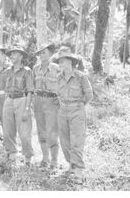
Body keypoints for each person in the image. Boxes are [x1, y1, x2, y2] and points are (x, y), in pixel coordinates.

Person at [53, 46, 93, 184]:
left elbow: (89, 95)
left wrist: (79, 106)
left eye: (62, 61)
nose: (60, 64)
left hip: (77, 110)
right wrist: (62, 106)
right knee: (64, 141)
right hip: (62, 110)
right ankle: (72, 164)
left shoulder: (81, 77)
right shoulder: (58, 78)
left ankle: (78, 172)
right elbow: (56, 95)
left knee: (77, 141)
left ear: (70, 62)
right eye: (59, 62)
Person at [2, 47, 34, 167]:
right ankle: (11, 156)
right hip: (9, 99)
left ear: (21, 56)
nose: (11, 56)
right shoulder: (7, 71)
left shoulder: (27, 71)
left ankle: (28, 159)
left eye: (14, 54)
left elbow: (30, 91)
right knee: (7, 131)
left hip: (22, 100)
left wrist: (26, 108)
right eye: (10, 54)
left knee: (24, 132)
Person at [33, 43, 60, 169]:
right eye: (40, 53)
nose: (42, 55)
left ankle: (54, 161)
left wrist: (60, 99)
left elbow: (64, 84)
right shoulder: (35, 69)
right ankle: (45, 158)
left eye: (44, 52)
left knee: (52, 132)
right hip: (38, 100)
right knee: (41, 131)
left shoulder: (57, 68)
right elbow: (32, 85)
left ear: (50, 54)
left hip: (52, 101)